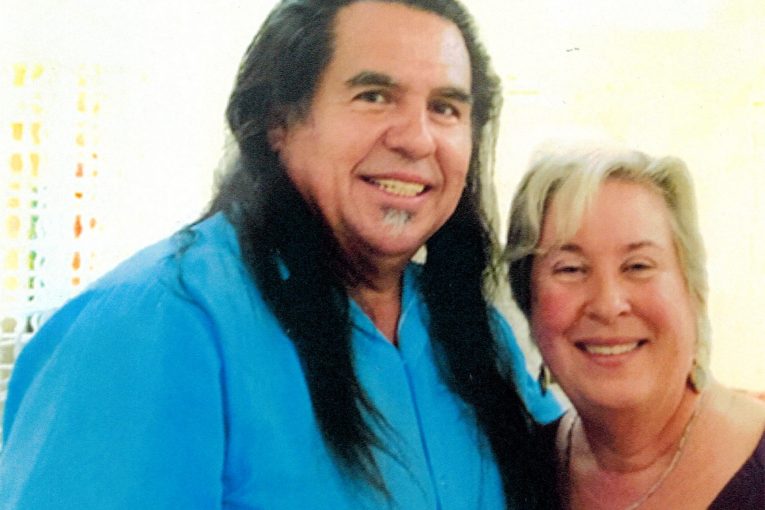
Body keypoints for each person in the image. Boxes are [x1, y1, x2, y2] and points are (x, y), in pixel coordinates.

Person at [0, 1, 561, 508]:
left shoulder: (472, 333)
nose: (417, 139)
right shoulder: (152, 322)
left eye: (445, 108)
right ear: (278, 122)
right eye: (374, 96)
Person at [505, 144, 765, 509]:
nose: (608, 305)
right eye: (570, 269)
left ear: (692, 290)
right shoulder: (515, 476)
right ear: (528, 303)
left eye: (638, 266)